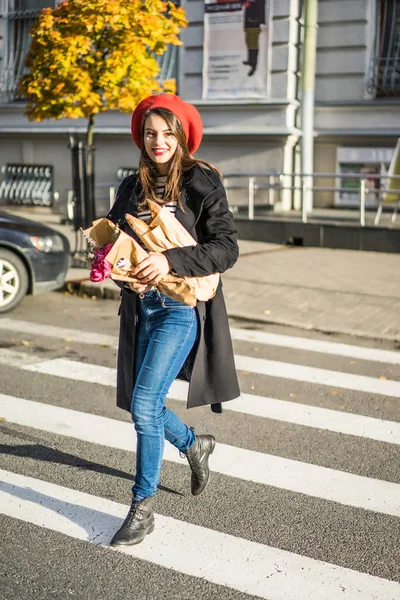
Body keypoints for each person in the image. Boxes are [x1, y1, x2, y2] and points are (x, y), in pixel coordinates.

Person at [106, 94, 240, 547]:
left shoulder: (201, 181)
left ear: (181, 137)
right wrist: (111, 264)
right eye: (150, 133)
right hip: (140, 312)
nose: (158, 141)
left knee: (143, 406)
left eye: (167, 133)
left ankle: (142, 508)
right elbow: (114, 242)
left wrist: (168, 261)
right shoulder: (130, 186)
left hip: (179, 311)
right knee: (141, 404)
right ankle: (193, 445)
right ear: (141, 138)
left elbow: (226, 248)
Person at [242, 0, 266, 76]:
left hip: (254, 20)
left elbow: (261, 5)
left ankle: (254, 65)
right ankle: (250, 60)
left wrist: (260, 20)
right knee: (248, 41)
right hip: (249, 19)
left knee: (253, 43)